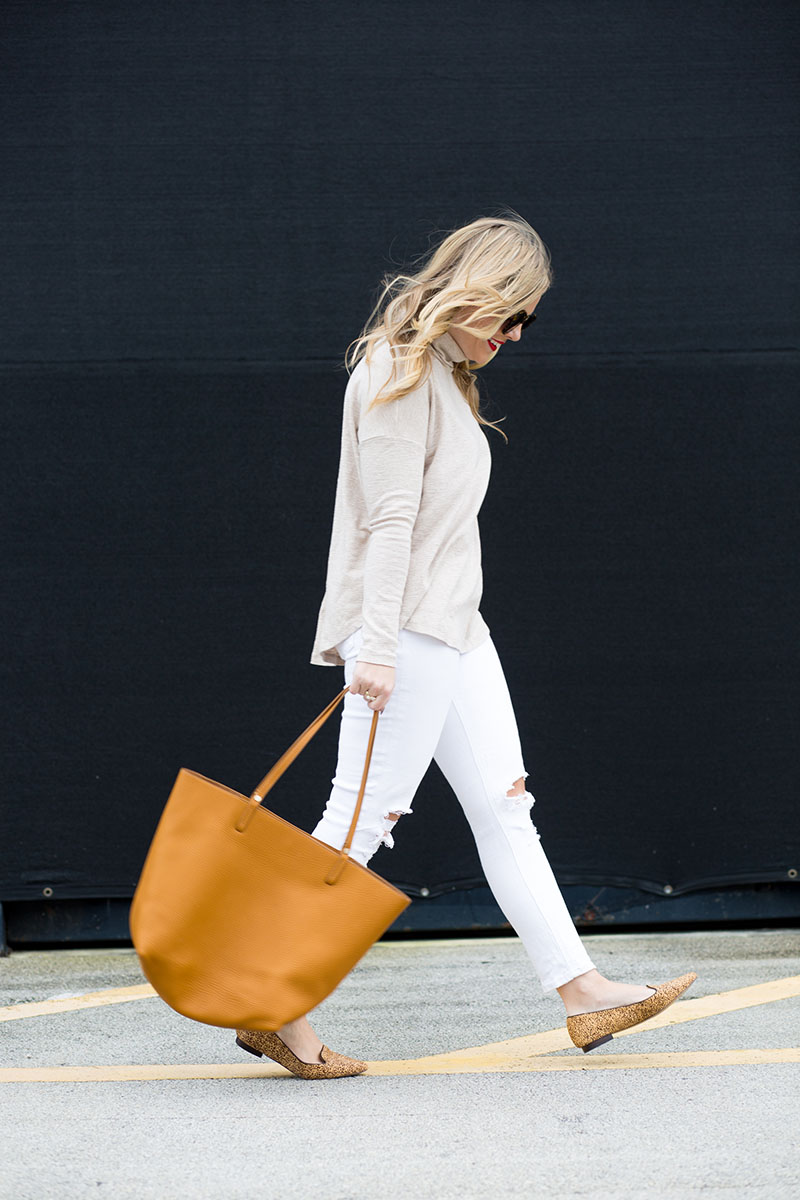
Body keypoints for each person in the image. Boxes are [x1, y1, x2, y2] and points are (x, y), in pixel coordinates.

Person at [235, 212, 696, 1079]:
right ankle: (272, 999)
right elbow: (390, 521)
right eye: (512, 314)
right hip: (405, 629)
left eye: (528, 321)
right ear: (477, 292)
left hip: (454, 629)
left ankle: (583, 992)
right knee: (359, 819)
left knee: (504, 804)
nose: (516, 335)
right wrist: (375, 647)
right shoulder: (397, 368)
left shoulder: (443, 376)